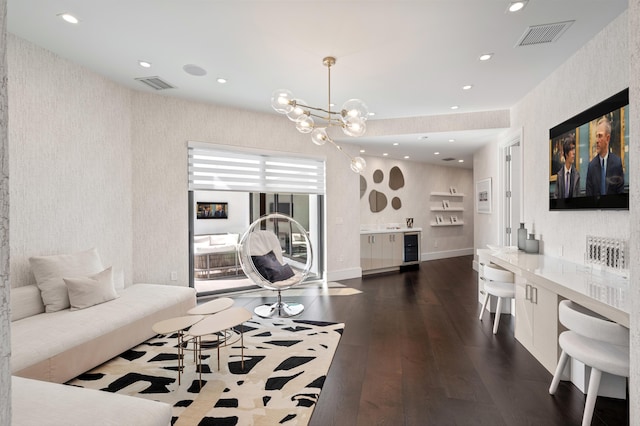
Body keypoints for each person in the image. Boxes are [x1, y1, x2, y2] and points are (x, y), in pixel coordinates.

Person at [585, 117, 624, 196]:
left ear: (607, 138)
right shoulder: (591, 166)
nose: (596, 140)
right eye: (596, 136)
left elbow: (620, 195)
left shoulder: (617, 163)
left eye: (600, 136)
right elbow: (589, 197)